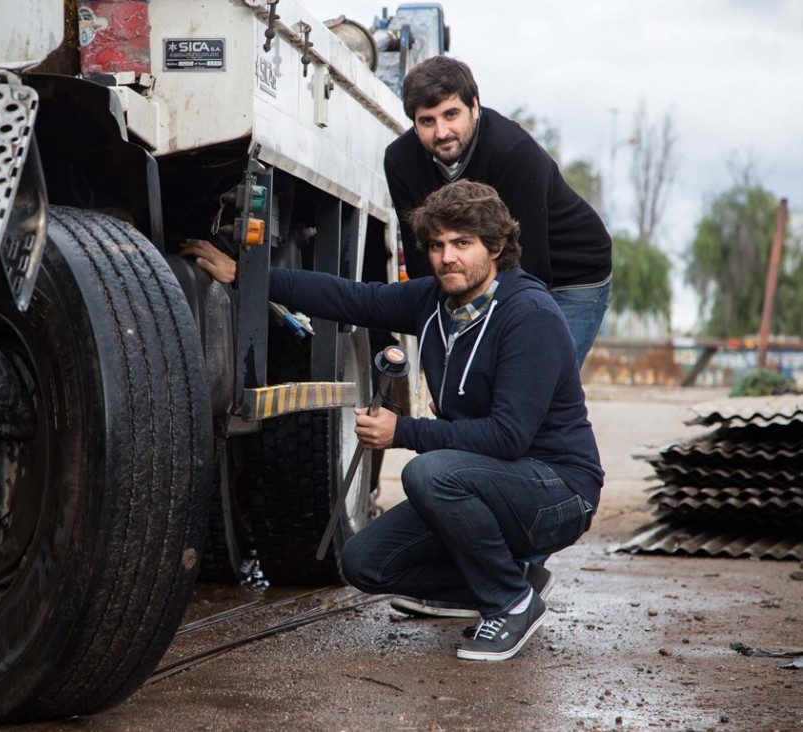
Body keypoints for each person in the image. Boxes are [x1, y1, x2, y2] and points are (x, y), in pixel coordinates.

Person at [182, 180, 603, 661]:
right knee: (366, 563)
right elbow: (350, 298)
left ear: (497, 246)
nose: (448, 258)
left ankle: (510, 602)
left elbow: (507, 438)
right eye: (438, 245)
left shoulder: (529, 314)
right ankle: (513, 578)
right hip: (491, 483)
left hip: (557, 489)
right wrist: (247, 275)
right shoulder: (433, 302)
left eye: (463, 244)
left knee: (428, 472)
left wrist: (402, 432)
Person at [386, 55, 612, 368]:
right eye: (428, 121)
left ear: (474, 106)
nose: (441, 131)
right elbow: (424, 263)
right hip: (498, 270)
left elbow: (529, 269)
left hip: (569, 272)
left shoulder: (513, 152)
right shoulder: (400, 161)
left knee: (538, 378)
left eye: (451, 114)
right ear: (414, 121)